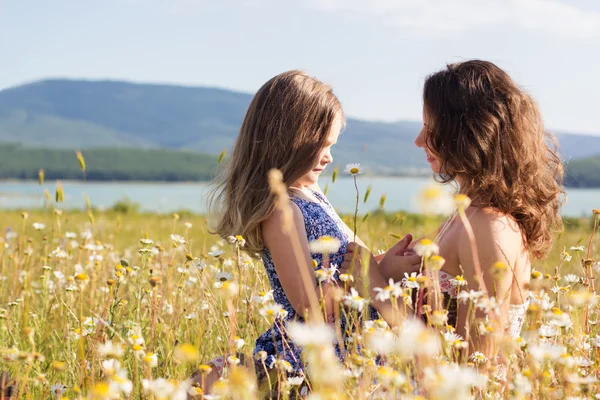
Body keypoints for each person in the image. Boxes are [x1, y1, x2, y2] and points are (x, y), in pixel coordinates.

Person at [194, 70, 418, 398]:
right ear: (289, 141)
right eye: (322, 145)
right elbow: (309, 306)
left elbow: (347, 266)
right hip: (305, 363)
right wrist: (370, 277)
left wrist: (385, 267)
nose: (329, 157)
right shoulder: (281, 209)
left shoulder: (311, 193)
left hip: (348, 352)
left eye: (332, 145)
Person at [344, 60, 564, 357]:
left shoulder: (491, 228)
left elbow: (469, 366)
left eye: (429, 128)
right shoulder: (467, 214)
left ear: (469, 134)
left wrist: (376, 288)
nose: (418, 140)